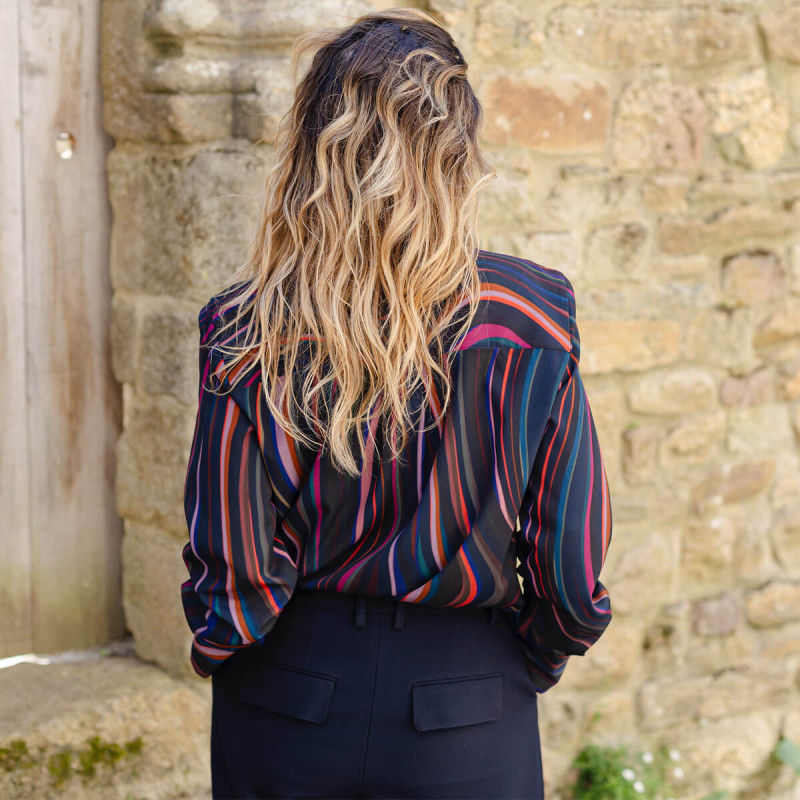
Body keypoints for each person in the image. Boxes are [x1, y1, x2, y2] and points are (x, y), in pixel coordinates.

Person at [180, 7, 613, 800]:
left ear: (310, 151)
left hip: (288, 695)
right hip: (468, 705)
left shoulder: (248, 329)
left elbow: (231, 562)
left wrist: (227, 649)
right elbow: (572, 570)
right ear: (458, 150)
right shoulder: (532, 320)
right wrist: (526, 658)